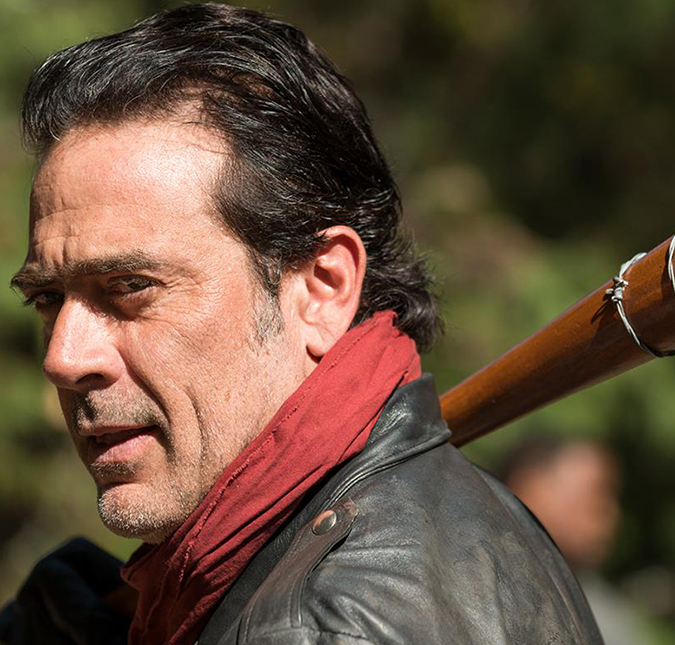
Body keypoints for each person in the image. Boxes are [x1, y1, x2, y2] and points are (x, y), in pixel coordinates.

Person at [2, 4, 602, 644]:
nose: (63, 357)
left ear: (322, 288)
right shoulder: (434, 518)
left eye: (130, 287)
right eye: (48, 298)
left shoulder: (329, 626)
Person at [502, 436, 647, 645]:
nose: (613, 512)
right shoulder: (466, 576)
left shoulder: (606, 619)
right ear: (530, 486)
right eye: (598, 492)